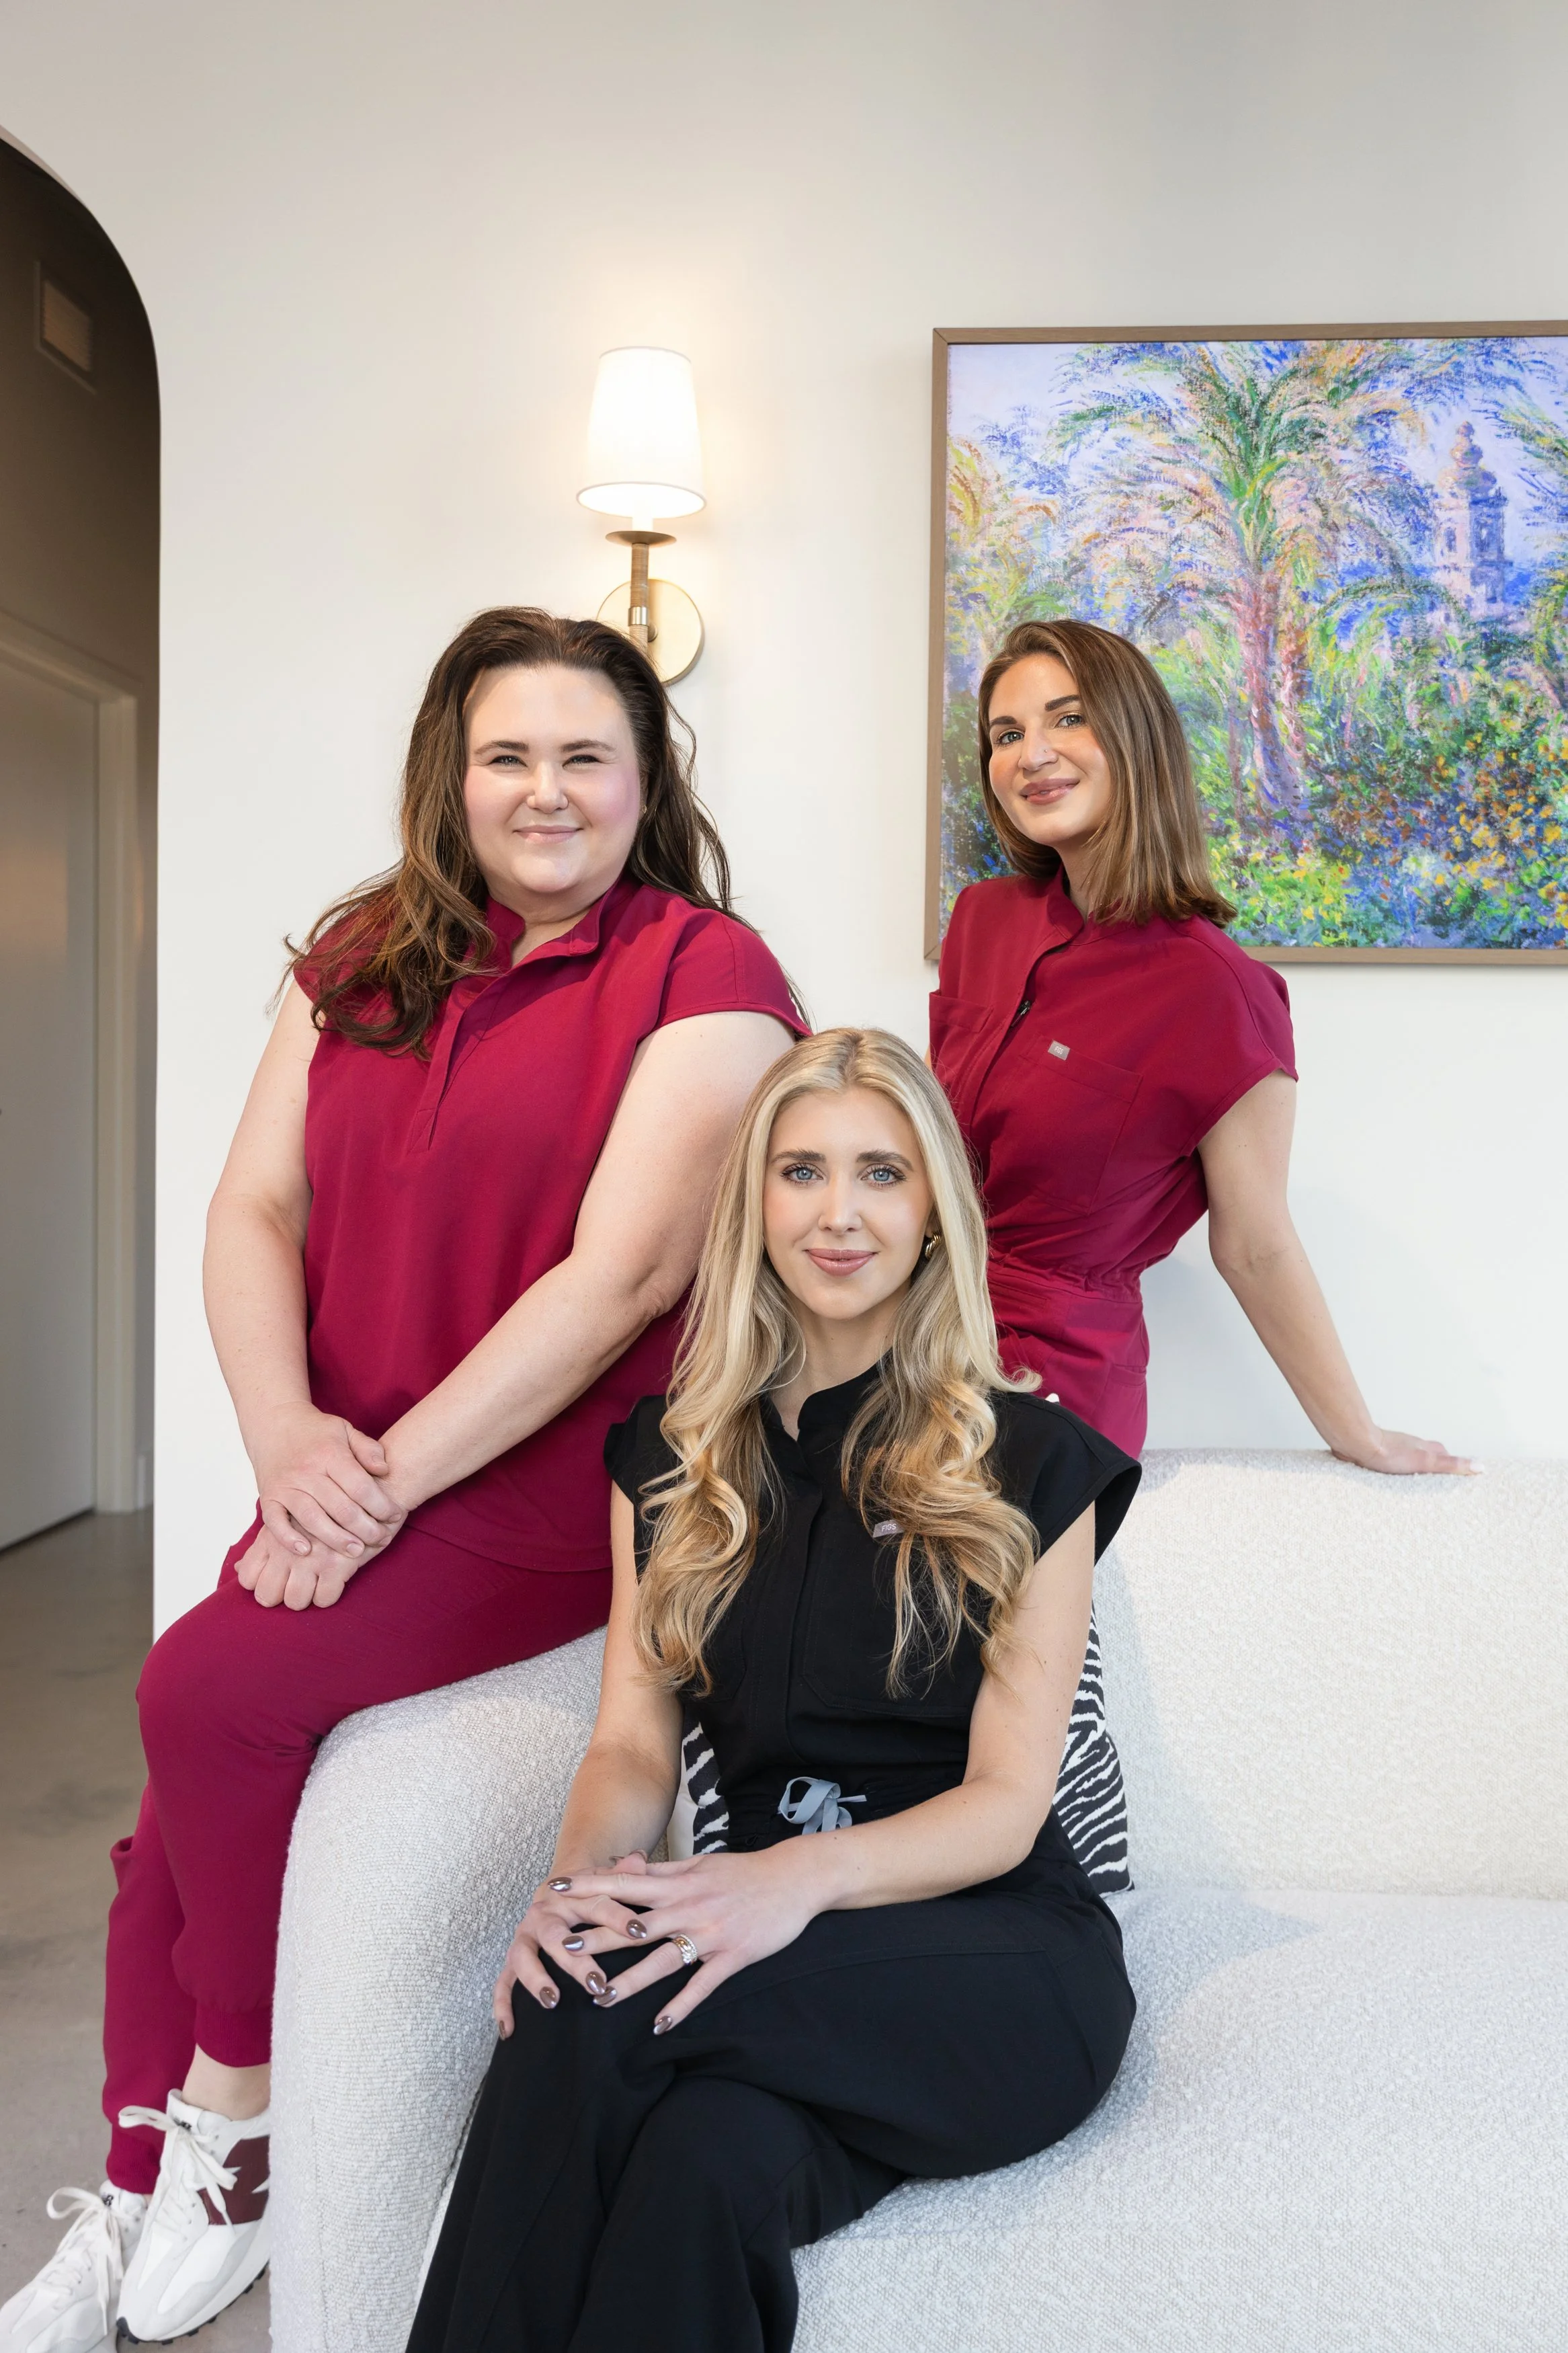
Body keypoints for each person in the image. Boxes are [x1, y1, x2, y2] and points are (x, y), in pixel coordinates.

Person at [0, 609, 804, 2353]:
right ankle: (143, 2181)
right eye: (506, 751)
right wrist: (291, 1441)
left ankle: (232, 2108)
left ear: (643, 774)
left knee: (196, 1683)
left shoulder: (705, 974)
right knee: (175, 1817)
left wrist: (376, 1483)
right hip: (345, 1461)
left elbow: (621, 1277)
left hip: (536, 1492)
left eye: (584, 752)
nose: (544, 788)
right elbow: (251, 1211)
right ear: (452, 772)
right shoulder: (362, 952)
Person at [409, 1028, 1141, 2353]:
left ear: (930, 1214)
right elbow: (630, 1744)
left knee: (592, 2013)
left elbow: (1004, 1803)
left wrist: (787, 1880)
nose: (839, 1212)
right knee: (701, 2169)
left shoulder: (1032, 1462)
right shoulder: (669, 1461)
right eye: (800, 1171)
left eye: (881, 1172)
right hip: (765, 1947)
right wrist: (572, 1898)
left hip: (990, 1955)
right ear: (754, 1203)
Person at [932, 616, 1472, 1474]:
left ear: (1136, 737)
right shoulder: (980, 922)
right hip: (912, 1348)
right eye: (1006, 734)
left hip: (1049, 1391)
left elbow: (1253, 1244)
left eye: (1066, 718)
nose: (1030, 753)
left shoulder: (1219, 991)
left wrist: (1357, 1433)